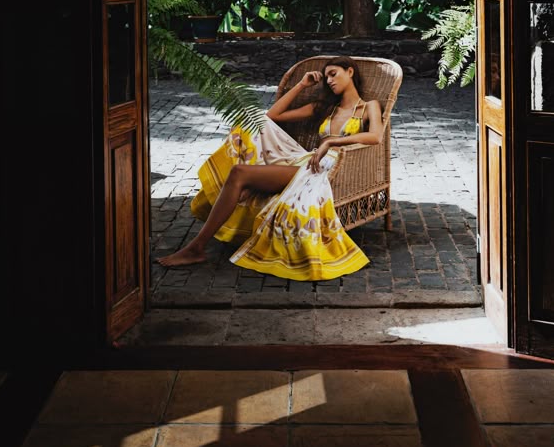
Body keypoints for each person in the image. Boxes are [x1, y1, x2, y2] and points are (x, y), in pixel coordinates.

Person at [156, 56, 384, 280]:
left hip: (329, 168)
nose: (330, 81)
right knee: (253, 122)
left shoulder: (369, 106)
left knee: (239, 174)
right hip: (306, 161)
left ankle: (197, 247)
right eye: (326, 78)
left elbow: (375, 136)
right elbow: (272, 117)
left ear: (350, 71)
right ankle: (204, 237)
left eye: (334, 74)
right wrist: (302, 84)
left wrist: (330, 141)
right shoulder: (324, 108)